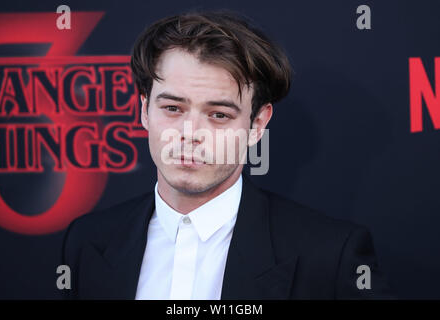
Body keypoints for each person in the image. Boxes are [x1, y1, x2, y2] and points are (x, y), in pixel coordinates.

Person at [61, 10, 394, 299]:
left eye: (218, 114)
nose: (190, 133)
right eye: (173, 108)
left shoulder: (330, 255)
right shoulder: (88, 241)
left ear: (257, 124)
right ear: (145, 111)